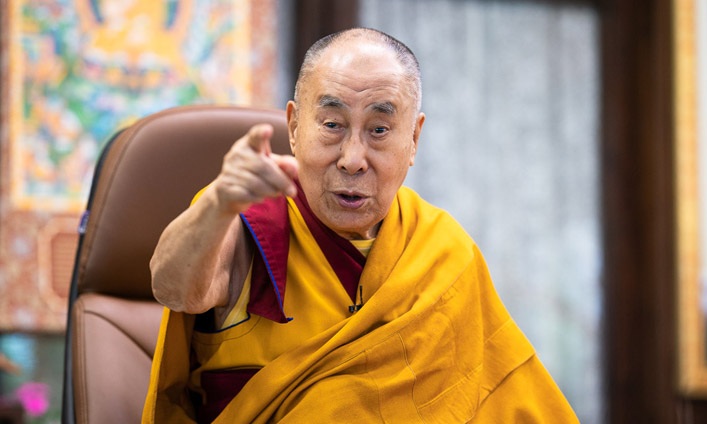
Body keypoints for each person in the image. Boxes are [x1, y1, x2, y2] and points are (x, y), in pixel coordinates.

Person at [142, 28, 578, 423]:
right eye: (332, 125)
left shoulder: (443, 250)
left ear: (414, 140)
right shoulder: (247, 220)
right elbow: (174, 289)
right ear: (294, 126)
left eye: (380, 129)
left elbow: (504, 399)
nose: (352, 158)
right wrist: (219, 201)